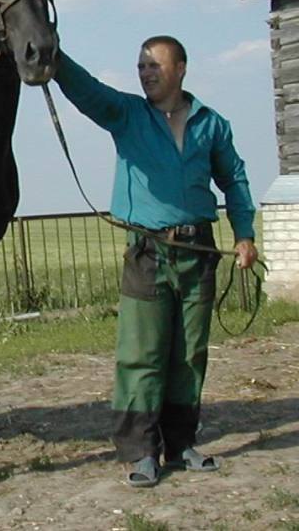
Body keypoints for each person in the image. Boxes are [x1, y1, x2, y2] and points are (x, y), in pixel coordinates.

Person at [53, 35, 258, 487]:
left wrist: (245, 235)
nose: (145, 72)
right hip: (148, 252)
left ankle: (181, 443)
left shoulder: (212, 125)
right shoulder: (126, 114)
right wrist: (51, 52)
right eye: (141, 65)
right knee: (141, 355)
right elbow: (85, 89)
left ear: (180, 68)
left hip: (199, 252)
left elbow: (235, 180)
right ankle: (141, 452)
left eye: (154, 66)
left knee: (189, 355)